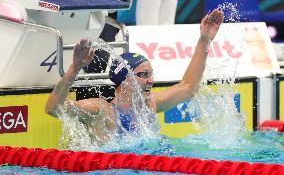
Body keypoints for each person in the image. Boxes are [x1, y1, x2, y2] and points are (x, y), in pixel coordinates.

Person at [45, 9, 224, 144]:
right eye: (143, 74)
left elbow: (188, 88)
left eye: (151, 74)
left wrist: (204, 40)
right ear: (124, 78)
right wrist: (74, 69)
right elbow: (54, 109)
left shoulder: (149, 105)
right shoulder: (102, 110)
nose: (151, 80)